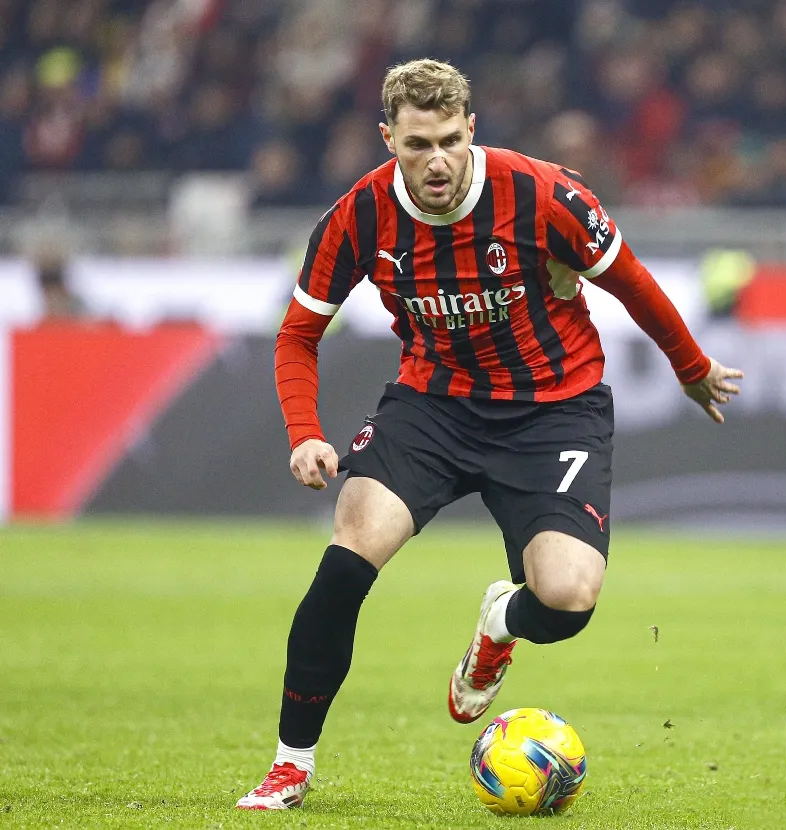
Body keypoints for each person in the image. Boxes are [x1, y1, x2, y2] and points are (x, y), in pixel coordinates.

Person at [236, 59, 743, 810]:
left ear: (471, 128)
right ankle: (290, 766)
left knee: (567, 600)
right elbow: (297, 335)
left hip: (553, 409)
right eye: (417, 145)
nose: (436, 161)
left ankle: (500, 622)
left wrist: (691, 367)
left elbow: (632, 281)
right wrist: (305, 433)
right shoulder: (359, 215)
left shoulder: (543, 194)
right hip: (432, 404)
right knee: (346, 559)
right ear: (389, 140)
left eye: (450, 140)